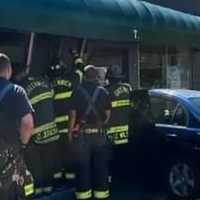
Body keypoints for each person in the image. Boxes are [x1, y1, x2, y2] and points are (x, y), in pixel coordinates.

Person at [14, 68, 60, 196]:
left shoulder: (20, 89)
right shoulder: (44, 81)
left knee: (37, 165)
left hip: (36, 134)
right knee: (49, 163)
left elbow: (22, 116)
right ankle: (49, 191)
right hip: (52, 130)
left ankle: (39, 192)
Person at [69, 65, 111, 200]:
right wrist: (101, 125)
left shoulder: (77, 92)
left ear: (84, 76)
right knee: (100, 166)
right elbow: (108, 114)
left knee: (83, 167)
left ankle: (83, 195)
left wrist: (70, 133)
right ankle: (101, 193)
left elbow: (73, 115)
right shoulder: (103, 92)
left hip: (82, 136)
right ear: (96, 77)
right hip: (99, 135)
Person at [0, 53, 34, 200]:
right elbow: (27, 124)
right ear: (9, 70)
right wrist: (22, 144)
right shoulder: (16, 90)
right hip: (7, 153)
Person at [47, 57, 80, 182]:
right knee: (70, 155)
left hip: (55, 129)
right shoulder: (73, 79)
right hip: (69, 127)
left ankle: (57, 180)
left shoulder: (48, 84)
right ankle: (70, 180)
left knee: (57, 157)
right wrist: (76, 56)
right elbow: (80, 69)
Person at [106, 65, 132, 181]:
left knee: (111, 158)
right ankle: (125, 177)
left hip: (113, 133)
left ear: (109, 78)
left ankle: (112, 179)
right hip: (127, 131)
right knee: (125, 156)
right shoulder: (128, 89)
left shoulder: (106, 91)